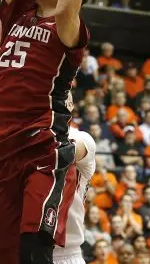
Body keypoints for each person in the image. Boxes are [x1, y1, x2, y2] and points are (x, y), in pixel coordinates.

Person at [0, 0, 118, 263]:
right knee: (3, 257)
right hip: (3, 150)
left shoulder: (69, 29)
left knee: (33, 251)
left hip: (43, 148)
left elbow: (67, 8)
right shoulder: (20, 9)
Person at [53, 94, 96, 264]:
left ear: (69, 104)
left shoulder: (83, 139)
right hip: (25, 250)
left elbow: (60, 149)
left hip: (66, 254)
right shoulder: (26, 135)